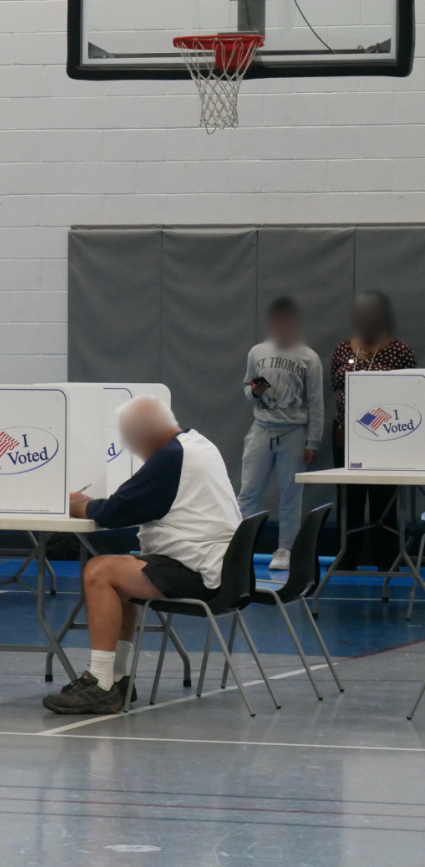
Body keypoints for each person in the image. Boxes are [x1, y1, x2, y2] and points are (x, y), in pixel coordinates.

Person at [44, 396, 242, 716]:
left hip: (198, 573)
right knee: (122, 573)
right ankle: (117, 678)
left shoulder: (170, 457)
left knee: (99, 571)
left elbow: (115, 511)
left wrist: (78, 504)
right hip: (220, 568)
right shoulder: (197, 443)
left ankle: (100, 683)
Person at [330, 291, 417, 571]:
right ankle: (347, 555)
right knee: (350, 501)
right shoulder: (343, 349)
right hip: (346, 435)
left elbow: (410, 394)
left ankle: (386, 559)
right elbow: (336, 389)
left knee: (384, 502)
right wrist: (341, 426)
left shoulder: (400, 351)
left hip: (385, 438)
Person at [237, 297, 324, 571]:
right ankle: (235, 547)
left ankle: (286, 549)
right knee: (248, 491)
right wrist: (254, 391)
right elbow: (247, 387)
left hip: (293, 432)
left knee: (290, 494)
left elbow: (316, 402)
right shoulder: (257, 352)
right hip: (261, 428)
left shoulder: (309, 357)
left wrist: (313, 441)